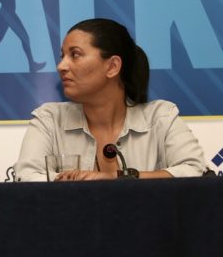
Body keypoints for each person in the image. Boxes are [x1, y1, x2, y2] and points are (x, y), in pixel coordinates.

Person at [14, 18, 206, 182]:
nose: (61, 66)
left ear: (113, 66)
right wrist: (78, 185)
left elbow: (195, 171)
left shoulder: (160, 117)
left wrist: (118, 177)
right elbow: (26, 177)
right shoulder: (49, 119)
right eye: (62, 56)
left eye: (75, 55)